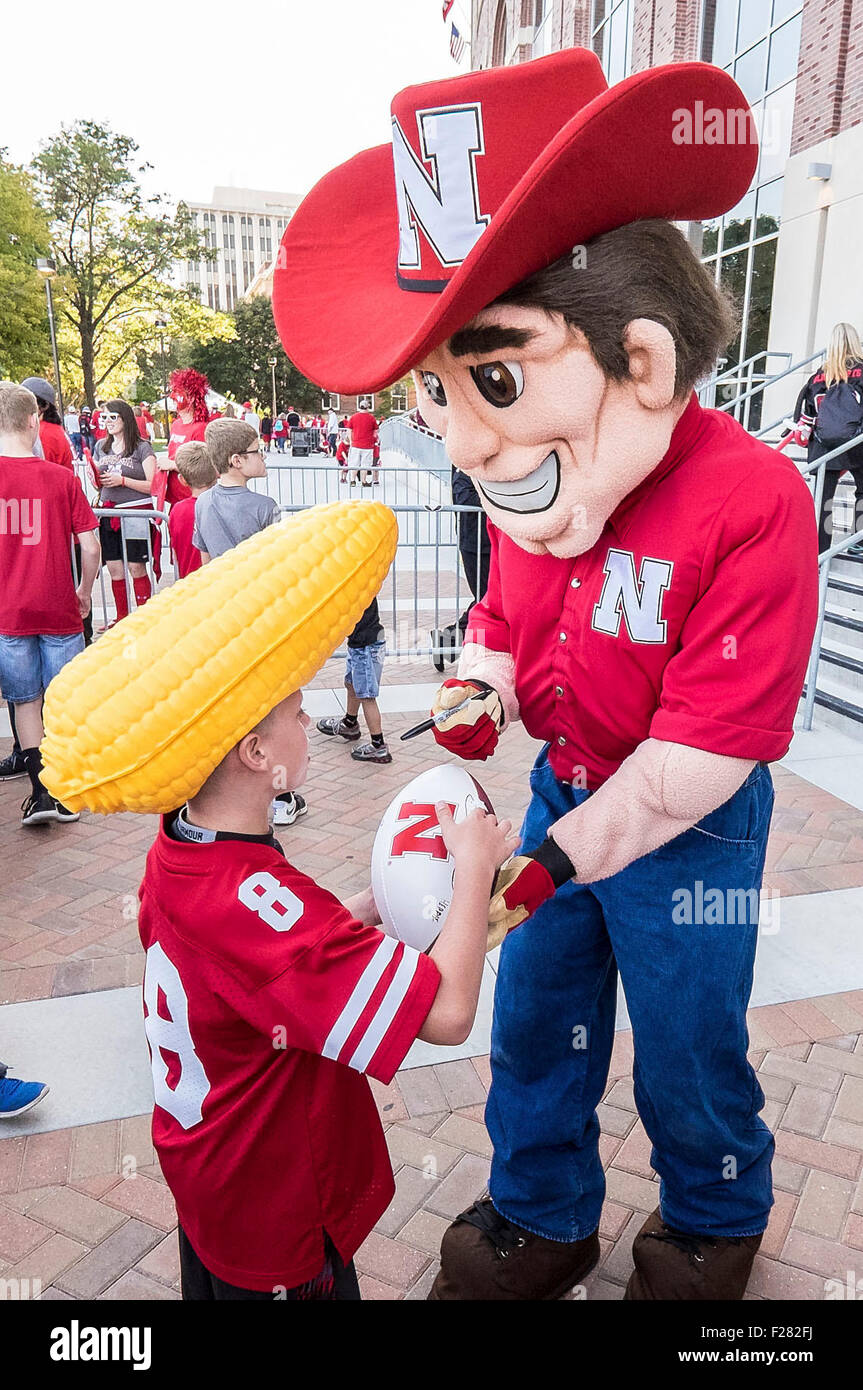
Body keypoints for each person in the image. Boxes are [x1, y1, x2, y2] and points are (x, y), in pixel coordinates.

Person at [271, 49, 820, 1301]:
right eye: (441, 392)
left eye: (496, 378)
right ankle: (542, 1209)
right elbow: (500, 622)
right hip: (562, 795)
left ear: (639, 361)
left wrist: (555, 857)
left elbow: (702, 755)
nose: (463, 439)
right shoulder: (541, 493)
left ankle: (713, 1216)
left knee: (688, 1042)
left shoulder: (752, 500)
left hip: (693, 830)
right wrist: (476, 688)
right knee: (534, 1019)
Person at [0, 381, 99, 825]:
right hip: (59, 605)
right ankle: (64, 789)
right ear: (34, 421)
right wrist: (84, 591)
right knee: (61, 700)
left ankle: (39, 794)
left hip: (8, 611)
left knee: (25, 702)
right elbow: (91, 547)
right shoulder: (61, 478)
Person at [793, 322, 863, 555]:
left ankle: (819, 552)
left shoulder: (818, 376)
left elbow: (810, 413)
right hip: (856, 443)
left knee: (824, 500)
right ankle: (859, 541)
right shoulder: (861, 371)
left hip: (824, 446)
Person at [94, 400, 158, 625]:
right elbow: (98, 483)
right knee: (114, 567)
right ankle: (121, 616)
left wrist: (123, 480)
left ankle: (144, 617)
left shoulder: (142, 447)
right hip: (108, 513)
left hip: (135, 513)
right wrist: (98, 481)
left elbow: (153, 485)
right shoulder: (100, 446)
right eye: (104, 417)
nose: (108, 422)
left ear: (125, 418)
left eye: (113, 417)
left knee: (135, 565)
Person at [316, 598, 391, 763]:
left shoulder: (358, 585)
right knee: (351, 684)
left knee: (366, 696)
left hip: (366, 647)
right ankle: (350, 724)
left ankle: (378, 746)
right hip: (359, 645)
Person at [154, 368, 210, 511]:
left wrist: (172, 465)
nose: (172, 396)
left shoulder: (201, 428)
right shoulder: (177, 424)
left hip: (193, 502)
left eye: (177, 392)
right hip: (175, 501)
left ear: (190, 396)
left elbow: (204, 468)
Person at [168, 441, 217, 579]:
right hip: (219, 586)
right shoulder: (222, 506)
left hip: (189, 583)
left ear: (182, 480)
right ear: (216, 472)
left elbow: (176, 553)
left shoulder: (177, 510)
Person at [21, 377, 73, 470]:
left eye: (26, 401)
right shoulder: (52, 428)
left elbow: (41, 473)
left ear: (44, 405)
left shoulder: (43, 434)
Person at [346, 404, 376, 487]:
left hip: (355, 444)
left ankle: (352, 481)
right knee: (365, 464)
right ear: (368, 408)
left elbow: (348, 430)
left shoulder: (353, 417)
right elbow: (376, 432)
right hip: (367, 445)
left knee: (354, 463)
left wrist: (351, 440)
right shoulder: (371, 418)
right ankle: (363, 481)